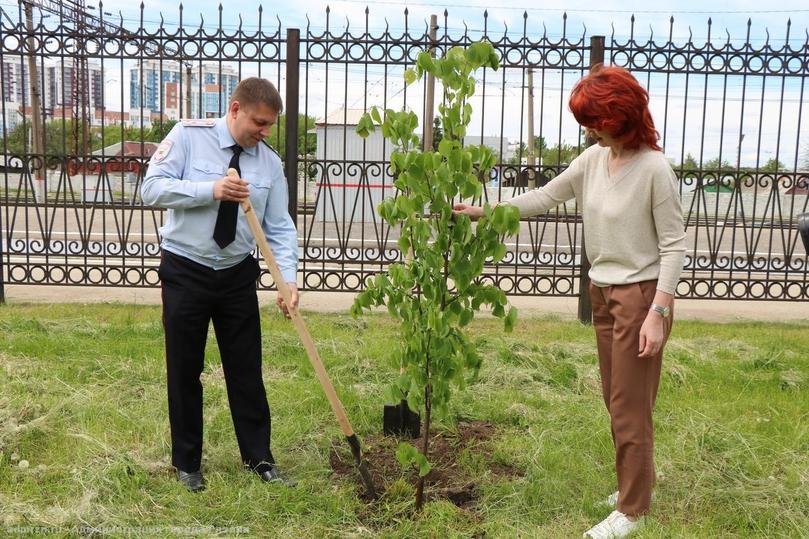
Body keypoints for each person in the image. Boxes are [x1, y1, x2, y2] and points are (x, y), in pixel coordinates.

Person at [455, 64, 686, 538]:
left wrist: (658, 313)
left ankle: (633, 510)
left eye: (593, 119)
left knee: (629, 404)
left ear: (619, 116)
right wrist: (485, 210)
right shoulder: (592, 160)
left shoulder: (654, 169)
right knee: (614, 396)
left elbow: (674, 246)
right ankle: (635, 484)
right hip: (601, 290)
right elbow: (544, 197)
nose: (586, 127)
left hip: (640, 296)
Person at [141, 77, 299, 492]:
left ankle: (259, 459)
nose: (265, 132)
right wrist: (210, 190)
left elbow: (279, 227)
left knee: (246, 370)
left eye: (270, 126)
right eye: (259, 123)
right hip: (186, 270)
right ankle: (188, 463)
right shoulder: (188, 138)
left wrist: (288, 282)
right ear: (235, 109)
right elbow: (151, 189)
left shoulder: (269, 163)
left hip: (236, 275)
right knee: (185, 368)